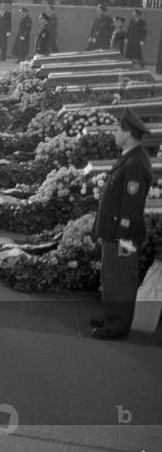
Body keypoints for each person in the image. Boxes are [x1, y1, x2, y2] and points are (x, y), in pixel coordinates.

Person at [90, 109, 152, 340]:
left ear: (127, 133)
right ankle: (111, 317)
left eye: (118, 130)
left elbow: (131, 207)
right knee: (111, 276)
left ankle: (117, 326)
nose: (114, 133)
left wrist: (121, 237)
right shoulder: (130, 156)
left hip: (123, 235)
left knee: (122, 278)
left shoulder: (135, 163)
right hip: (115, 233)